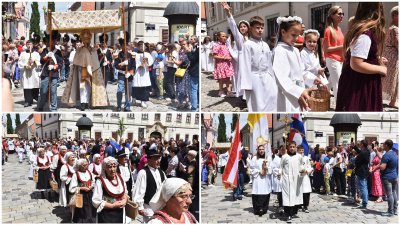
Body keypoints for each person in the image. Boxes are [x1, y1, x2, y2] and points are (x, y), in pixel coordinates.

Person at [336, 3, 387, 111]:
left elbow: (361, 55)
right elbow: (356, 63)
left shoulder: (364, 31)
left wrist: (375, 60)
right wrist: (381, 68)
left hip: (359, 81)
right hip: (360, 85)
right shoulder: (365, 34)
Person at [273, 16, 318, 112]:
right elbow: (281, 78)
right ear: (283, 32)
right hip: (287, 94)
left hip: (298, 91)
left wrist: (313, 78)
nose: (297, 38)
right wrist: (299, 91)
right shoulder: (279, 51)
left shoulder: (295, 50)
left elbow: (301, 71)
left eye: (298, 35)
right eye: (293, 35)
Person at [62, 29, 109, 111]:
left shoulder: (93, 50)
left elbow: (97, 59)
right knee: (83, 87)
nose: (86, 42)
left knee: (89, 87)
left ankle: (88, 102)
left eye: (88, 40)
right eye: (85, 40)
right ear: (83, 41)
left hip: (92, 70)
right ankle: (83, 103)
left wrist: (103, 52)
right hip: (82, 70)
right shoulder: (79, 50)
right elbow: (76, 60)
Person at [239, 16, 277, 111]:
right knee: (258, 103)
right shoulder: (247, 45)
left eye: (262, 28)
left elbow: (269, 63)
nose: (260, 30)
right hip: (254, 78)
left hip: (266, 77)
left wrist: (272, 78)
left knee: (271, 99)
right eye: (257, 28)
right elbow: (245, 65)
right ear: (251, 28)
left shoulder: (265, 45)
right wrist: (247, 85)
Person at [222, 2, 250, 98]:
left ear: (248, 28)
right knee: (241, 78)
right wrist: (228, 13)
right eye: (241, 26)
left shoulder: (251, 38)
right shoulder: (239, 38)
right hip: (242, 62)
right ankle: (243, 96)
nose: (242, 28)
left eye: (244, 26)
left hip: (251, 63)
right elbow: (233, 26)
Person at [132, 147, 166, 223]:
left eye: (158, 158)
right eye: (155, 159)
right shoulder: (143, 172)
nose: (158, 161)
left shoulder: (161, 172)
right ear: (149, 160)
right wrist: (140, 207)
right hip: (149, 207)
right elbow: (139, 190)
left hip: (161, 206)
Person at [92, 156, 128, 223]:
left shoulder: (120, 178)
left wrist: (125, 200)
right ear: (105, 168)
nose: (113, 169)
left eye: (114, 166)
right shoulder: (100, 181)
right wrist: (113, 205)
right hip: (106, 215)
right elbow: (96, 201)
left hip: (120, 213)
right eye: (109, 167)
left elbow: (125, 192)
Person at [37, 30, 63, 112]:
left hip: (54, 74)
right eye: (51, 40)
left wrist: (54, 66)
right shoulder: (44, 51)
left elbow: (61, 63)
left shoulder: (58, 52)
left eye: (54, 40)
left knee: (53, 91)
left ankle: (54, 108)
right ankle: (41, 104)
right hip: (45, 73)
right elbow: (41, 61)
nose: (52, 42)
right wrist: (46, 57)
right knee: (43, 91)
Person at [280, 142, 305, 223]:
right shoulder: (284, 157)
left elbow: (301, 165)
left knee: (296, 196)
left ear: (296, 148)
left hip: (296, 180)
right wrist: (279, 173)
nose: (292, 148)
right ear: (288, 147)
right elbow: (281, 167)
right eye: (290, 147)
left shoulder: (299, 156)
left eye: (293, 147)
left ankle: (293, 212)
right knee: (287, 197)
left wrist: (303, 170)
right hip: (287, 180)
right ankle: (288, 214)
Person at [324, 5, 344, 99]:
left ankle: (322, 91)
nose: (342, 16)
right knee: (338, 82)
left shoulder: (339, 29)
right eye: (339, 13)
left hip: (340, 59)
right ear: (332, 15)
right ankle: (339, 106)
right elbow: (326, 49)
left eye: (342, 14)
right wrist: (342, 46)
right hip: (332, 59)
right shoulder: (328, 30)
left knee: (332, 81)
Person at [69, 158, 96, 223]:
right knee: (82, 211)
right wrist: (81, 188)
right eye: (84, 165)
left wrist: (91, 186)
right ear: (79, 166)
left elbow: (93, 181)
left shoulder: (89, 172)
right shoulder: (76, 174)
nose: (86, 166)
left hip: (90, 194)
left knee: (91, 209)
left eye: (86, 165)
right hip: (81, 196)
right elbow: (71, 188)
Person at [382, 6, 398, 108]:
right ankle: (392, 101)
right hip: (393, 58)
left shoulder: (393, 28)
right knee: (393, 79)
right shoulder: (394, 29)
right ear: (394, 16)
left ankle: (393, 101)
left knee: (394, 80)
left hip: (391, 57)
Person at [114, 35, 135, 112]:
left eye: (127, 45)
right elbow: (115, 65)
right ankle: (119, 105)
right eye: (124, 45)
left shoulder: (132, 55)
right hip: (121, 75)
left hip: (129, 75)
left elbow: (133, 66)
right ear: (122, 46)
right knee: (120, 91)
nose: (126, 47)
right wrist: (122, 64)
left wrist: (130, 73)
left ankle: (127, 106)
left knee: (128, 92)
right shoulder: (118, 55)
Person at [18, 37, 41, 107]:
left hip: (33, 72)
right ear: (26, 45)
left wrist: (34, 61)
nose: (29, 46)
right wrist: (25, 65)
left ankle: (35, 98)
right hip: (26, 73)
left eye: (30, 44)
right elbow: (19, 62)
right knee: (27, 86)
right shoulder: (22, 53)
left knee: (34, 85)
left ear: (33, 45)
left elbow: (39, 63)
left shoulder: (36, 53)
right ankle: (27, 101)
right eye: (27, 44)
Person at [250, 145, 272, 216]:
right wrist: (259, 171)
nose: (261, 151)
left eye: (262, 149)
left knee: (265, 192)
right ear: (257, 150)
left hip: (265, 179)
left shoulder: (268, 158)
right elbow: (251, 169)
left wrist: (266, 169)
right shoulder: (254, 158)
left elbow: (272, 168)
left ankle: (264, 208)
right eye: (260, 149)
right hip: (257, 179)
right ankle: (257, 209)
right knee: (257, 192)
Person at [380, 139, 398, 217]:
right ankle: (395, 210)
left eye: (384, 144)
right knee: (394, 193)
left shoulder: (386, 155)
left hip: (387, 177)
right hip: (394, 176)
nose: (383, 145)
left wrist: (379, 165)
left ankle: (390, 212)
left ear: (387, 145)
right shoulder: (395, 154)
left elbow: (383, 167)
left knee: (389, 194)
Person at [132, 41, 153, 108]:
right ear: (138, 47)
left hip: (144, 73)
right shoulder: (135, 54)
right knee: (135, 86)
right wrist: (138, 65)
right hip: (137, 72)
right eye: (140, 46)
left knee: (144, 87)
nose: (142, 48)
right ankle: (134, 99)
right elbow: (132, 62)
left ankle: (143, 101)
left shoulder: (147, 54)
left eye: (143, 46)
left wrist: (146, 63)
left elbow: (151, 62)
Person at [213, 31, 234, 97]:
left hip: (227, 64)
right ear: (218, 37)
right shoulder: (217, 45)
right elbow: (214, 56)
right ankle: (221, 91)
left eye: (225, 36)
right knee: (221, 79)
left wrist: (230, 57)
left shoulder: (225, 45)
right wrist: (225, 58)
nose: (225, 38)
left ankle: (229, 92)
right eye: (223, 36)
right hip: (221, 65)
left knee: (228, 78)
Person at [355, 140, 370, 209]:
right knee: (365, 187)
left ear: (362, 145)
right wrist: (355, 147)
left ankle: (364, 203)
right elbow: (360, 153)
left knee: (363, 188)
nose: (359, 145)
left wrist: (356, 158)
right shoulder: (366, 151)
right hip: (364, 171)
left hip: (361, 171)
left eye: (360, 144)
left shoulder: (363, 152)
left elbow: (357, 160)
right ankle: (365, 201)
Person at [298, 145, 312, 213]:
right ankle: (298, 205)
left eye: (302, 150)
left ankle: (305, 206)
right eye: (300, 150)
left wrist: (306, 170)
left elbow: (309, 167)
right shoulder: (295, 158)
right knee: (298, 191)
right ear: (297, 150)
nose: (301, 151)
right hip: (298, 176)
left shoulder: (306, 158)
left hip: (305, 176)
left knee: (306, 191)